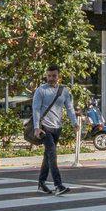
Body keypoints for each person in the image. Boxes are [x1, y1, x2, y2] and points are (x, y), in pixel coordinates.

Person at [28, 67, 76, 195]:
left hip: (57, 127)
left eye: (53, 76)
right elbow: (36, 109)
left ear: (58, 76)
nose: (50, 78)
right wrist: (37, 127)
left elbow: (70, 108)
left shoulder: (64, 91)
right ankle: (58, 185)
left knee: (47, 156)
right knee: (52, 155)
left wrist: (75, 123)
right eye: (48, 76)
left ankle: (41, 183)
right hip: (44, 128)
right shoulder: (40, 90)